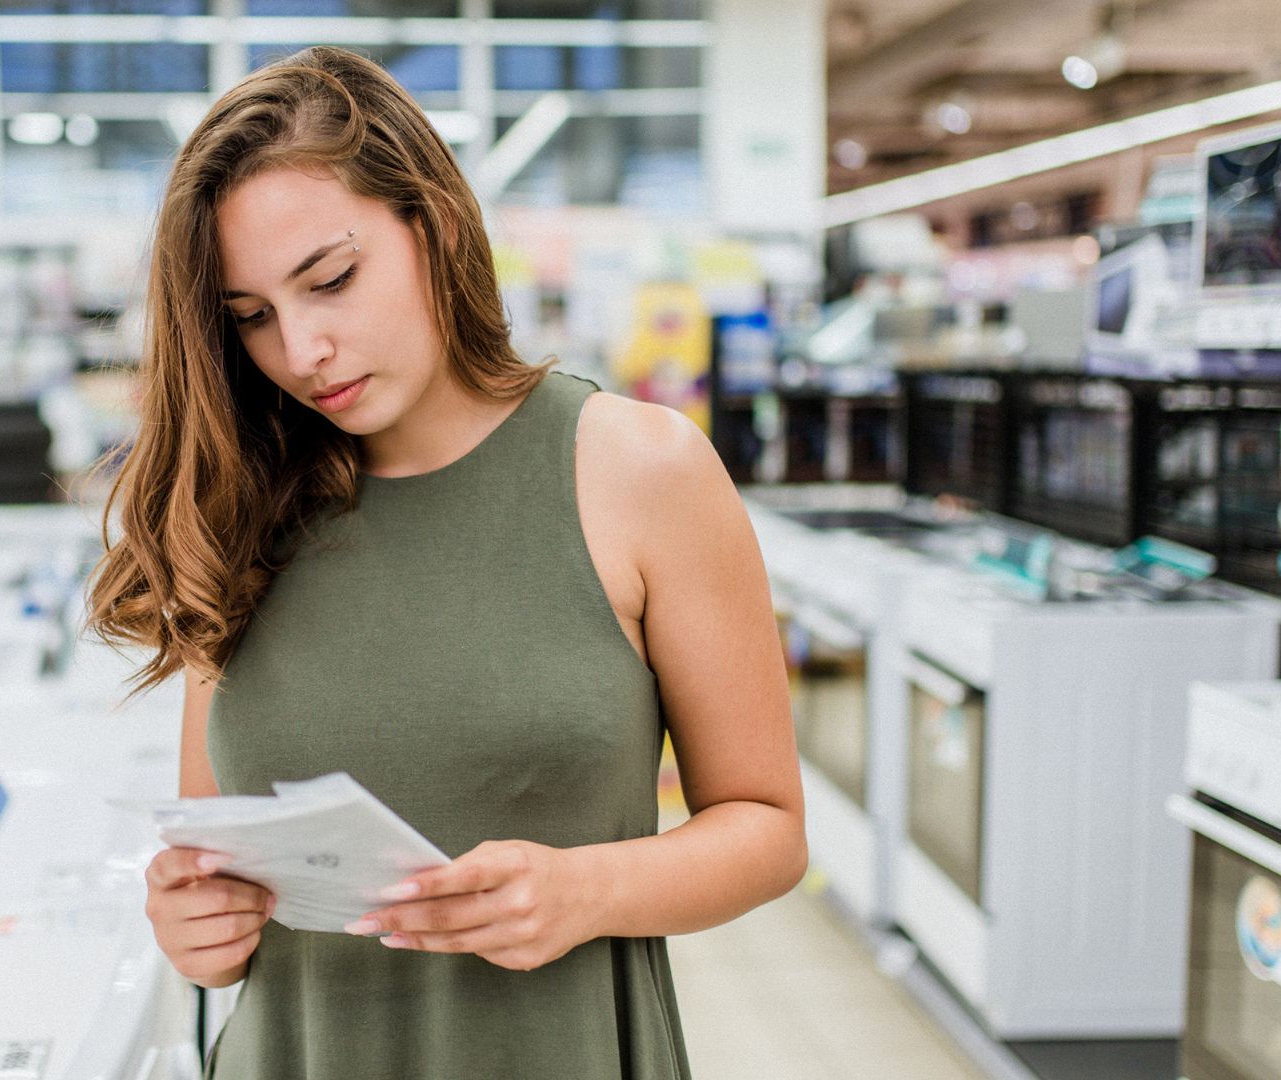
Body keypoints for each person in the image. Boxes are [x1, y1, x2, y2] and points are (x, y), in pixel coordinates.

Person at [86, 45, 804, 1080]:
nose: (302, 350)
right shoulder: (239, 507)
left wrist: (587, 890)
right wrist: (193, 927)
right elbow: (221, 859)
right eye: (251, 318)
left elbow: (768, 828)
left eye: (330, 279)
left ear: (434, 223)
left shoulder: (637, 471)